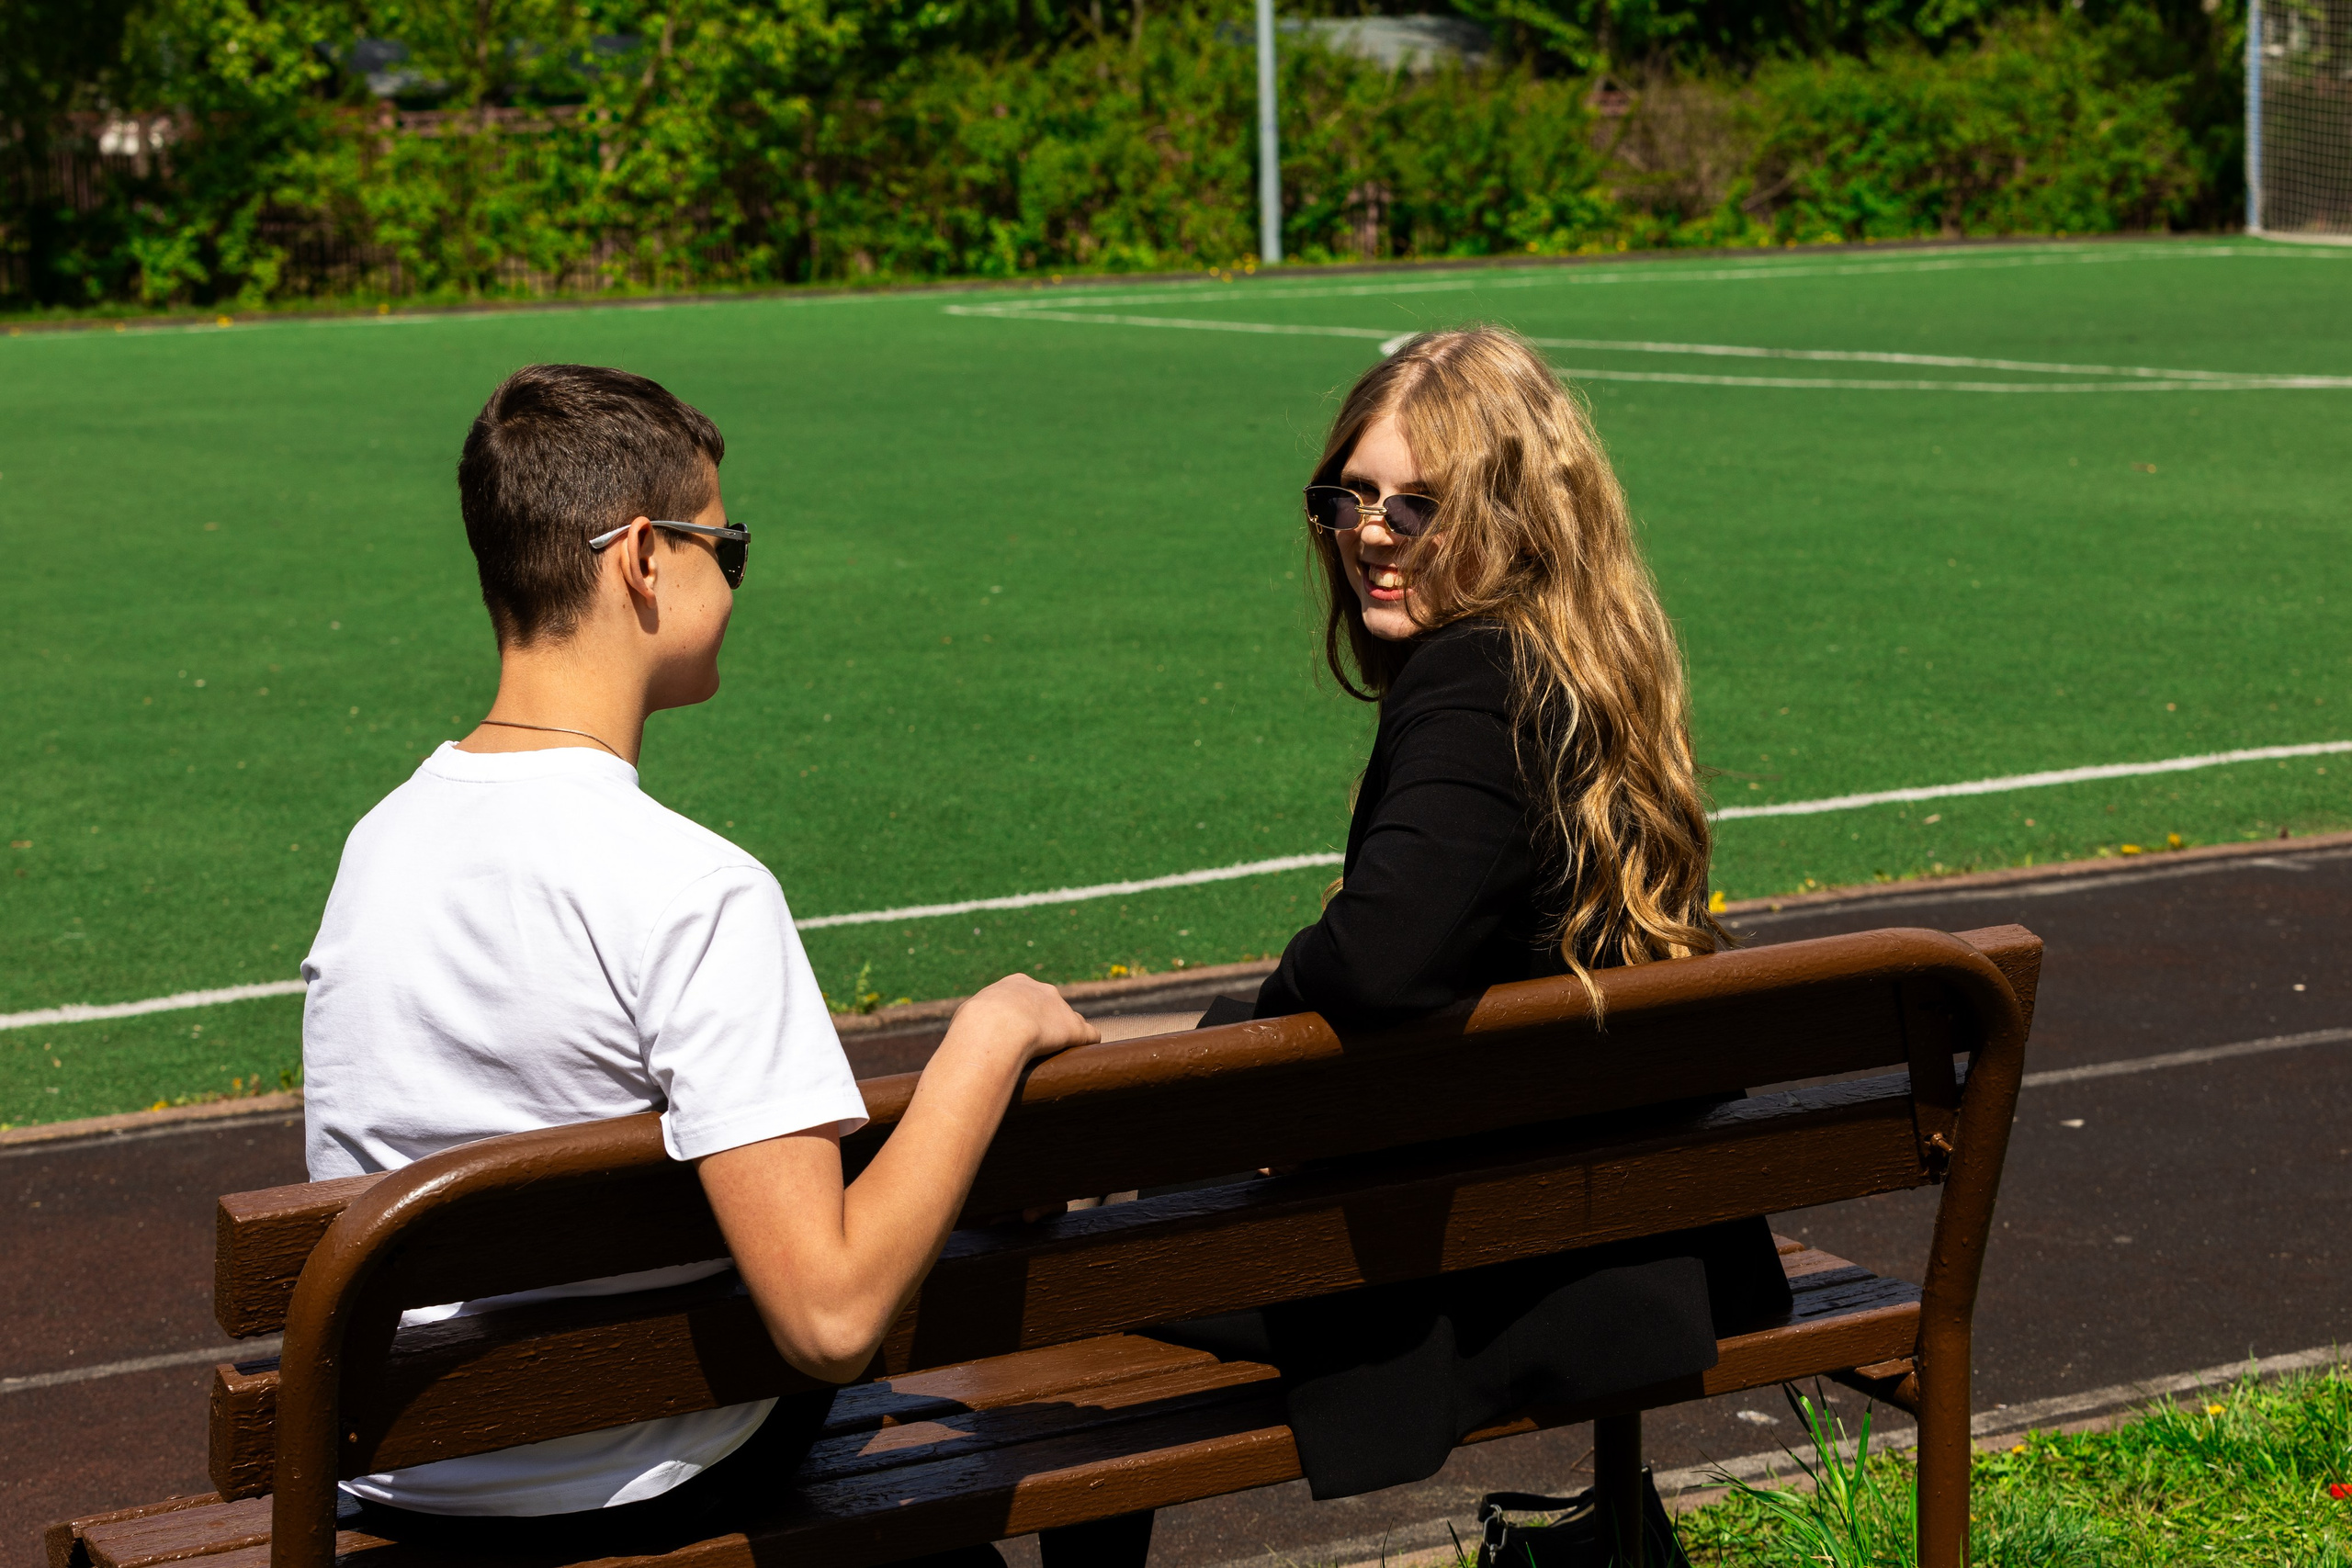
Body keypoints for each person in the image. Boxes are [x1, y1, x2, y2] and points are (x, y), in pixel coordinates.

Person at [300, 363, 1114, 1566]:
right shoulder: (693, 889)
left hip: (399, 1472)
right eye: (725, 549)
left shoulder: (377, 846)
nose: (734, 577)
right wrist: (988, 1038)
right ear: (641, 557)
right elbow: (829, 1318)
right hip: (635, 1475)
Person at [1169, 325, 1792, 1500]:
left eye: (1417, 505)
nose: (1370, 533)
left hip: (1498, 1278)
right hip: (1637, 1232)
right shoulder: (1594, 667)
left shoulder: (1477, 679)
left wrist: (1258, 1011)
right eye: (1348, 497)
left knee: (1064, 1263)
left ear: (1516, 516)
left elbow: (1378, 964)